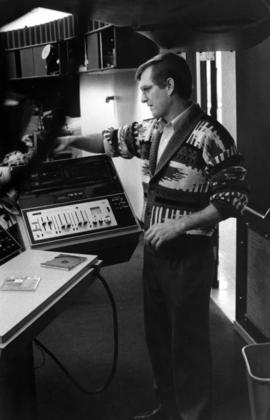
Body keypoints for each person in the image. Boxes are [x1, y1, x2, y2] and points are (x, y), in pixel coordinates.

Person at [54, 52, 248, 420]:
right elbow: (110, 141)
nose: (142, 97)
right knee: (158, 338)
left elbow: (234, 198)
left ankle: (194, 414)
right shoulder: (151, 129)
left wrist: (180, 223)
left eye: (147, 89)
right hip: (155, 255)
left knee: (187, 342)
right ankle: (168, 408)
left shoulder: (211, 136)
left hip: (189, 256)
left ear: (169, 86)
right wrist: (69, 142)